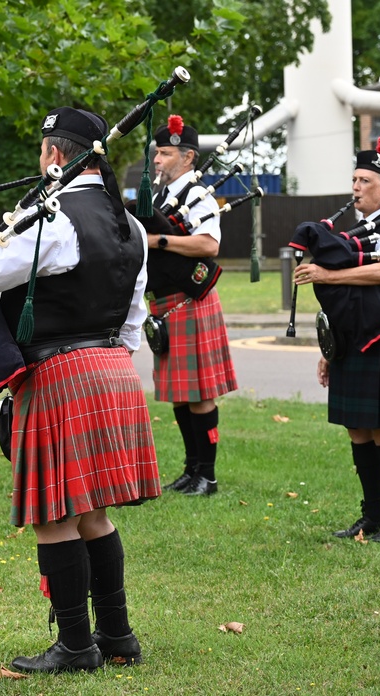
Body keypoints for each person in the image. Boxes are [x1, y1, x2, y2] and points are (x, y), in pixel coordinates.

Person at [0, 108, 160, 674]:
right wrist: (105, 357)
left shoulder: (53, 218)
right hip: (114, 367)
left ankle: (75, 645)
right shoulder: (133, 226)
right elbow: (133, 318)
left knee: (55, 514)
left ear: (53, 154)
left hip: (61, 373)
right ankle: (117, 636)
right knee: (92, 510)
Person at [295, 136, 380, 542]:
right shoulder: (357, 230)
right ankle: (372, 515)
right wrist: (328, 348)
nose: (355, 187)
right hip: (353, 336)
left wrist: (326, 275)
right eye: (353, 179)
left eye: (364, 180)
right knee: (357, 427)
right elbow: (347, 300)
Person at [148, 115, 238, 496]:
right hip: (166, 302)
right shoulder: (160, 198)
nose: (156, 160)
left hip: (191, 300)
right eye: (156, 153)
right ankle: (191, 469)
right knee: (180, 393)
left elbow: (208, 245)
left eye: (165, 154)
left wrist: (159, 242)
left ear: (187, 158)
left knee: (200, 393)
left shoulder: (198, 196)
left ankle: (208, 475)